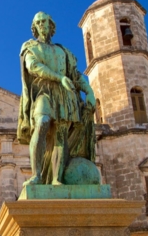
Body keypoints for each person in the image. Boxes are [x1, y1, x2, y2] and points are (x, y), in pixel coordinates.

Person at [17, 11, 96, 186]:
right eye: (38, 22)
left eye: (44, 21)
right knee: (42, 122)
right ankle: (36, 175)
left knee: (61, 136)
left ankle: (56, 179)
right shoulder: (30, 47)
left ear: (51, 25)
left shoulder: (63, 51)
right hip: (43, 92)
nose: (41, 25)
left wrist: (88, 91)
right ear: (34, 27)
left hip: (64, 95)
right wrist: (59, 78)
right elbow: (33, 66)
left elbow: (75, 75)